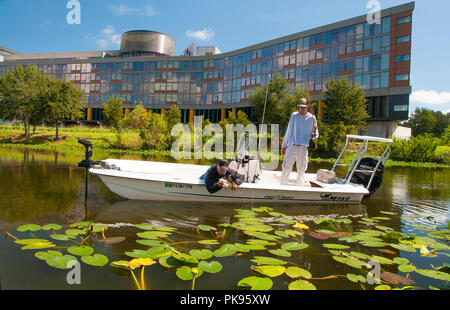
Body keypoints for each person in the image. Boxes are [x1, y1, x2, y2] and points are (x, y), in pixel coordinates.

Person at [280, 98, 319, 186]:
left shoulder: (312, 118)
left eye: (303, 108)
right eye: (300, 107)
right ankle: (282, 187)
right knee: (286, 168)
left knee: (301, 170)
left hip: (303, 148)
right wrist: (283, 146)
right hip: (291, 146)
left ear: (307, 107)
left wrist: (314, 133)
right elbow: (288, 131)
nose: (301, 109)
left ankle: (299, 189)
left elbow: (315, 135)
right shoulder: (293, 115)